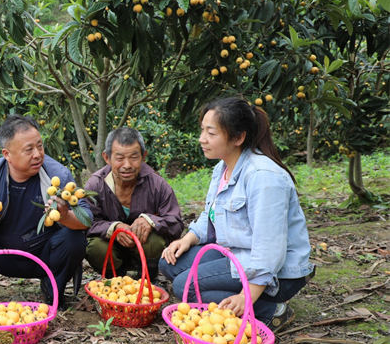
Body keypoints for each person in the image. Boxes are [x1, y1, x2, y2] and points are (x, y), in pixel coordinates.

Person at [160, 97, 314, 328]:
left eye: (211, 133)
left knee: (185, 287)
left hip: (278, 271)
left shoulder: (263, 177)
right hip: (236, 255)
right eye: (202, 130)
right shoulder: (221, 168)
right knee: (169, 263)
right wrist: (187, 239)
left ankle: (272, 309)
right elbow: (210, 214)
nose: (202, 139)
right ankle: (235, 295)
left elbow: (269, 248)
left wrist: (247, 296)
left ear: (238, 137)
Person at [0, 115, 90, 310]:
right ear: (7, 154)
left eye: (40, 146)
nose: (37, 154)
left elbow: (86, 220)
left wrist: (65, 215)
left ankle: (53, 290)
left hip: (45, 255)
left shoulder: (57, 176)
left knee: (74, 238)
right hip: (2, 254)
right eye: (29, 149)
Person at [85, 127, 184, 280]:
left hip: (144, 250)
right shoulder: (95, 185)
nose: (127, 165)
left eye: (133, 157)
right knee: (95, 247)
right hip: (112, 250)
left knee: (154, 242)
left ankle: (148, 278)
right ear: (107, 157)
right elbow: (87, 223)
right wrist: (114, 228)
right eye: (119, 158)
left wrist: (150, 221)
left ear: (143, 156)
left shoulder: (156, 184)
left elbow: (176, 222)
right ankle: (114, 280)